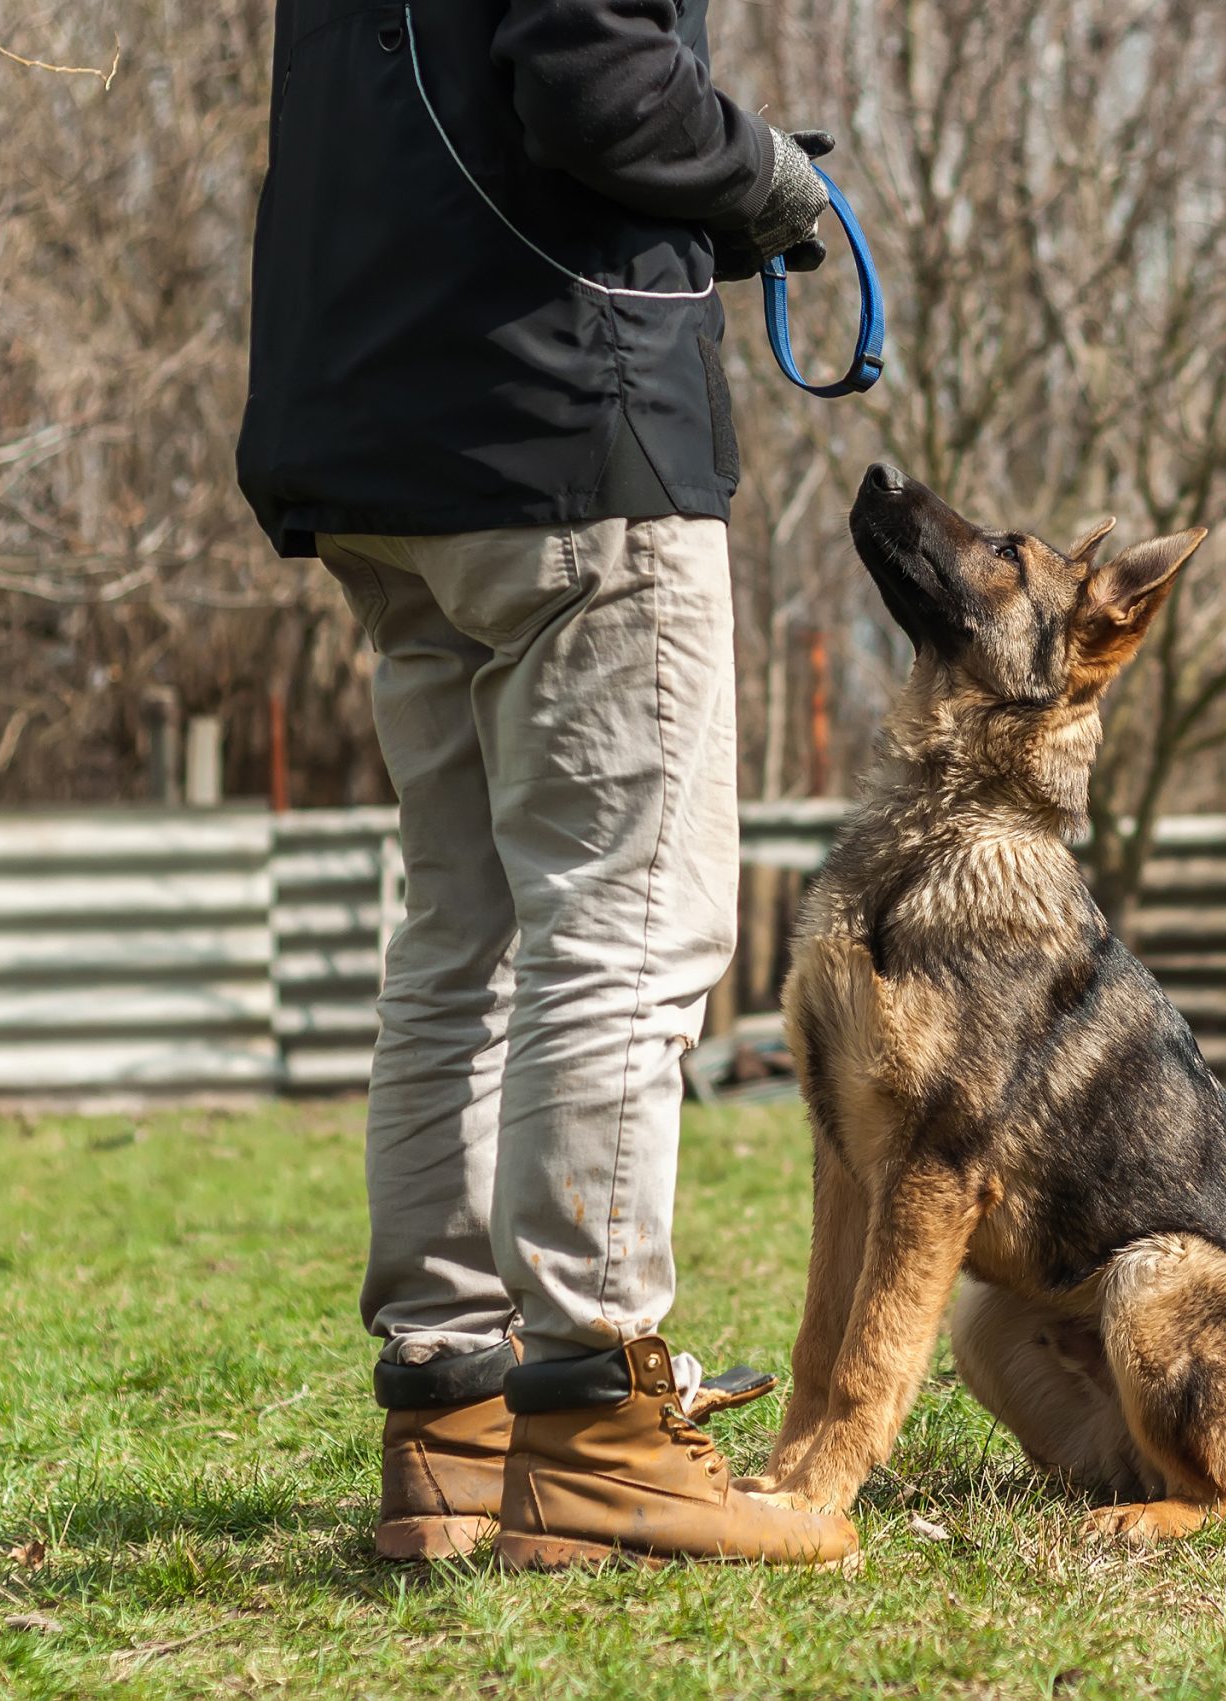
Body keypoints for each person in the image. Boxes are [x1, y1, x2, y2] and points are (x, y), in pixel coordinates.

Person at [235, 0, 855, 1571]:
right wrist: (768, 179)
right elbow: (594, 80)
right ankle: (600, 1416)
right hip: (564, 425)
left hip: (380, 426)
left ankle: (452, 1415)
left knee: (465, 938)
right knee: (627, 926)